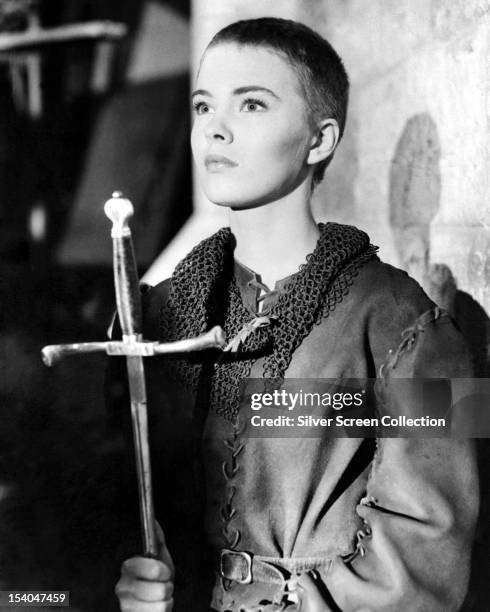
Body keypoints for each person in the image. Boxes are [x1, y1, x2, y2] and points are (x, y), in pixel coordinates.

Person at [111, 17, 478, 612]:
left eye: (251, 104)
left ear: (320, 139)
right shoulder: (156, 320)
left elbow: (430, 550)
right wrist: (135, 577)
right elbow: (107, 497)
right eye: (204, 107)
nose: (215, 131)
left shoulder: (412, 327)